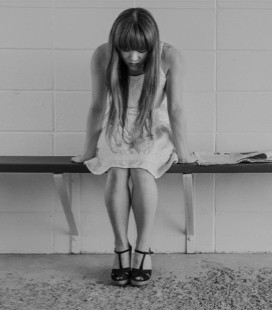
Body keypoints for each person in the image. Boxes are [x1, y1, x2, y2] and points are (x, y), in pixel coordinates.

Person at [71, 7, 193, 287]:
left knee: (141, 171)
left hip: (154, 127)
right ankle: (120, 248)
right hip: (117, 125)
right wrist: (88, 150)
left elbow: (175, 108)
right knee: (116, 171)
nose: (134, 58)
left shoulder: (169, 56)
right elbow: (97, 106)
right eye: (126, 50)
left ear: (152, 45)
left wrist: (184, 151)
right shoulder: (102, 54)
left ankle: (143, 248)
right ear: (116, 45)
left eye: (141, 51)